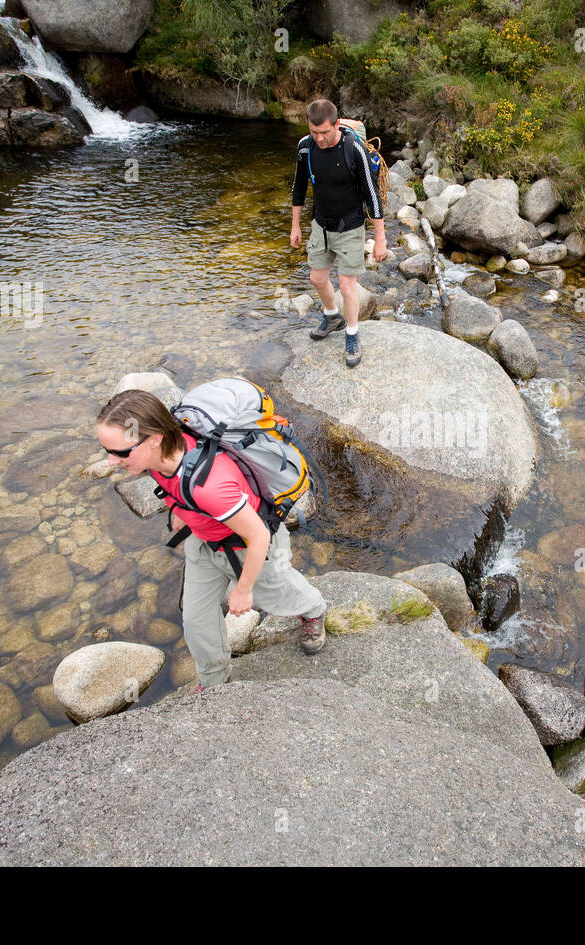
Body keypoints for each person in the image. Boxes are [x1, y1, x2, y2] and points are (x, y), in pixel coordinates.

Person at [95, 389, 327, 692]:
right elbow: (173, 483)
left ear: (154, 438)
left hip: (247, 545)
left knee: (278, 591)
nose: (112, 461)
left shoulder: (211, 487)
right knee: (196, 621)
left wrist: (243, 591)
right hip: (204, 541)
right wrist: (179, 509)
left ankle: (314, 610)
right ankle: (214, 682)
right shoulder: (160, 451)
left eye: (121, 452)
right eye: (106, 450)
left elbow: (257, 536)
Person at [289, 98, 387, 368]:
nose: (319, 138)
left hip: (351, 226)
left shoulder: (353, 149)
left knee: (346, 285)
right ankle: (332, 316)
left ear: (336, 125)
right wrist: (295, 225)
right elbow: (298, 188)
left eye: (324, 132)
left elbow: (373, 196)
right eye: (314, 132)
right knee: (317, 278)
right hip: (321, 224)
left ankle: (352, 334)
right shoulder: (305, 148)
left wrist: (380, 238)